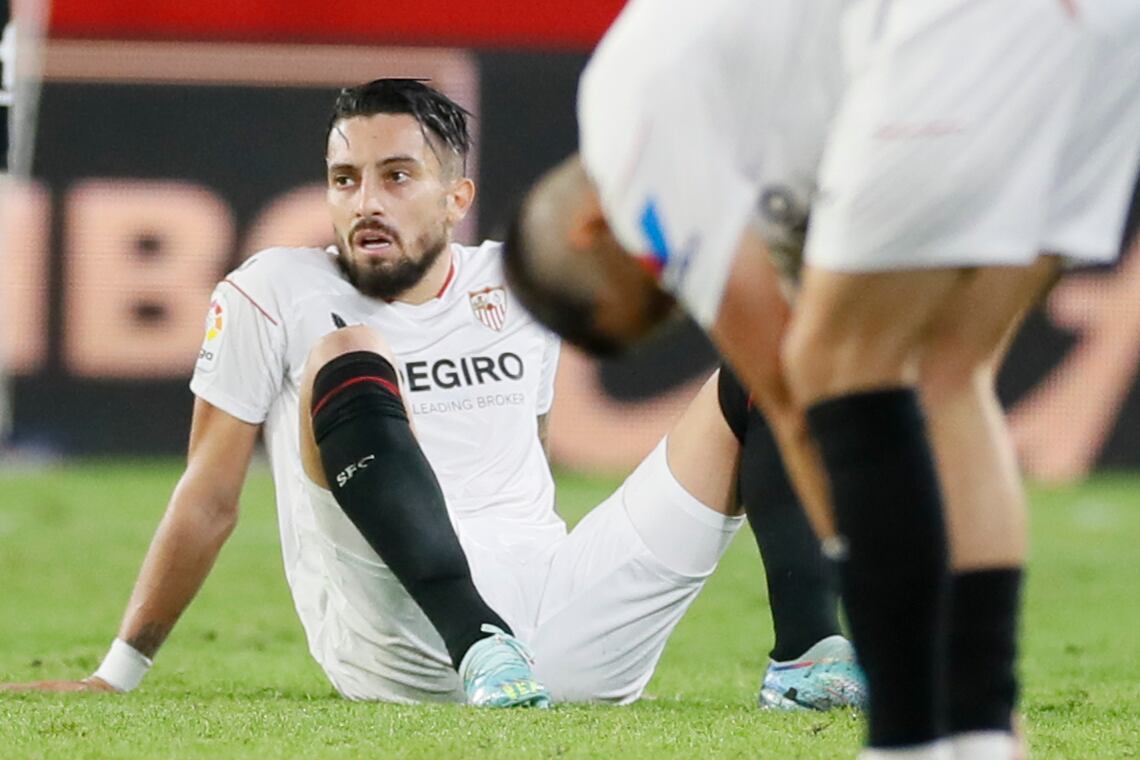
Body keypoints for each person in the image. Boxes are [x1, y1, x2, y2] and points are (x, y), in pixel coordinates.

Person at [0, 78, 864, 710]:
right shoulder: (274, 290)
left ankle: (805, 659)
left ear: (458, 197)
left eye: (396, 177)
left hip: (566, 623)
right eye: (345, 180)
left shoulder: (518, 283)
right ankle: (476, 638)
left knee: (769, 361)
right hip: (406, 648)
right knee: (349, 348)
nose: (364, 202)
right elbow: (208, 497)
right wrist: (117, 671)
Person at [501, 0, 1140, 756]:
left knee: (833, 366)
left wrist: (875, 570)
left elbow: (788, 388)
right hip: (1099, 36)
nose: (689, 290)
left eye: (664, 284)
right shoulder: (744, 103)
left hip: (968, 31)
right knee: (950, 376)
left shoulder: (623, 123)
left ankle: (909, 730)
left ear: (594, 228)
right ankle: (979, 726)